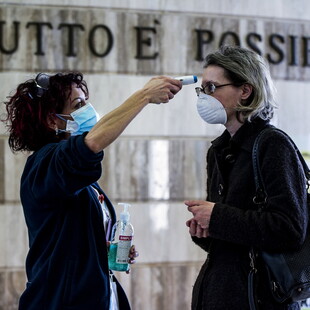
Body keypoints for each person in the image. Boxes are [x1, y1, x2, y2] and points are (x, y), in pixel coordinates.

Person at [2, 72, 182, 310]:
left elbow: (67, 237)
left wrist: (101, 249)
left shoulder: (69, 173)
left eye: (86, 101)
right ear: (52, 120)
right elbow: (91, 144)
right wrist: (144, 96)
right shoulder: (45, 163)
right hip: (60, 301)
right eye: (79, 105)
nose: (88, 109)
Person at [185, 45, 308, 310]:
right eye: (202, 89)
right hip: (221, 293)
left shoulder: (273, 145)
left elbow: (290, 229)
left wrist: (217, 217)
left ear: (245, 90)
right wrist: (205, 231)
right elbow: (235, 242)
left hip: (260, 298)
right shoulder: (219, 149)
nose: (204, 97)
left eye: (211, 87)